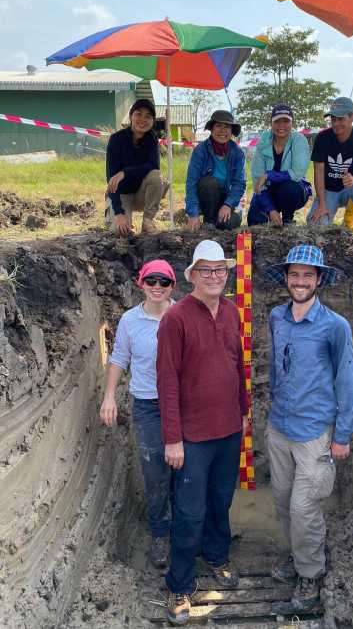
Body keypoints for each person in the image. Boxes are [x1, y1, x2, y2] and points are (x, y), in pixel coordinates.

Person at [157, 240, 249, 625]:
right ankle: (179, 583)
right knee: (190, 511)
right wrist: (173, 438)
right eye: (206, 270)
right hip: (192, 437)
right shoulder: (175, 318)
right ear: (191, 275)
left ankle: (216, 556)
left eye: (220, 270)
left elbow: (238, 365)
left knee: (221, 499)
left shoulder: (230, 311)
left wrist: (244, 412)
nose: (214, 277)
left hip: (228, 429)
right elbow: (167, 382)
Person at [264, 245, 353, 612]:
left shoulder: (335, 326)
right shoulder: (276, 316)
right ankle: (298, 555)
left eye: (308, 275)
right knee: (283, 502)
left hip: (315, 432)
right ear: (286, 279)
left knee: (306, 508)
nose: (300, 282)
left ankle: (310, 572)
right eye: (294, 275)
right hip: (279, 427)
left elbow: (347, 380)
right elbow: (275, 367)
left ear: (319, 279)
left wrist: (343, 435)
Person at [100, 259, 176, 569]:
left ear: (173, 286)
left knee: (187, 471)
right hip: (147, 405)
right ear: (140, 283)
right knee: (156, 473)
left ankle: (186, 531)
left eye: (164, 282)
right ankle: (161, 533)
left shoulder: (184, 314)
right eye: (151, 281)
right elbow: (118, 358)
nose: (157, 287)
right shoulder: (131, 321)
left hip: (184, 405)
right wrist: (109, 397)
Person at [307, 97, 353, 229]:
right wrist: (322, 205)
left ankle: (349, 220)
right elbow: (318, 172)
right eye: (333, 119)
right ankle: (324, 211)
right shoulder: (322, 138)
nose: (336, 123)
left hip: (349, 189)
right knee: (315, 227)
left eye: (341, 119)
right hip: (328, 191)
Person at [105, 98, 164, 236]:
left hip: (142, 193)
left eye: (148, 116)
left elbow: (153, 165)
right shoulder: (116, 139)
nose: (142, 119)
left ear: (153, 121)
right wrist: (119, 213)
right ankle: (111, 214)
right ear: (131, 116)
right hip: (121, 194)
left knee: (156, 175)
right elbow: (111, 179)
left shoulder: (152, 138)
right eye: (138, 114)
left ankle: (148, 221)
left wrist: (125, 172)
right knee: (119, 231)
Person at [247, 103, 311, 227]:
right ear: (271, 123)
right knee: (254, 221)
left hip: (293, 190)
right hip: (268, 190)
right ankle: (272, 217)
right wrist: (270, 209)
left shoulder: (299, 140)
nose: (281, 126)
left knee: (289, 187)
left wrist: (268, 175)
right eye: (277, 121)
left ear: (292, 123)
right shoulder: (263, 141)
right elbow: (257, 180)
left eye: (286, 121)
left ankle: (287, 220)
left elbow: (297, 173)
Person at [185, 111, 245, 231]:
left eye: (227, 126)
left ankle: (216, 222)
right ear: (212, 128)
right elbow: (191, 183)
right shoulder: (200, 150)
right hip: (206, 198)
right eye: (218, 126)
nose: (222, 130)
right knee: (209, 182)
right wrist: (193, 214)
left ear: (231, 131)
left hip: (226, 200)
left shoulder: (237, 152)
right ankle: (208, 221)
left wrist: (228, 205)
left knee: (231, 223)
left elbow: (239, 183)